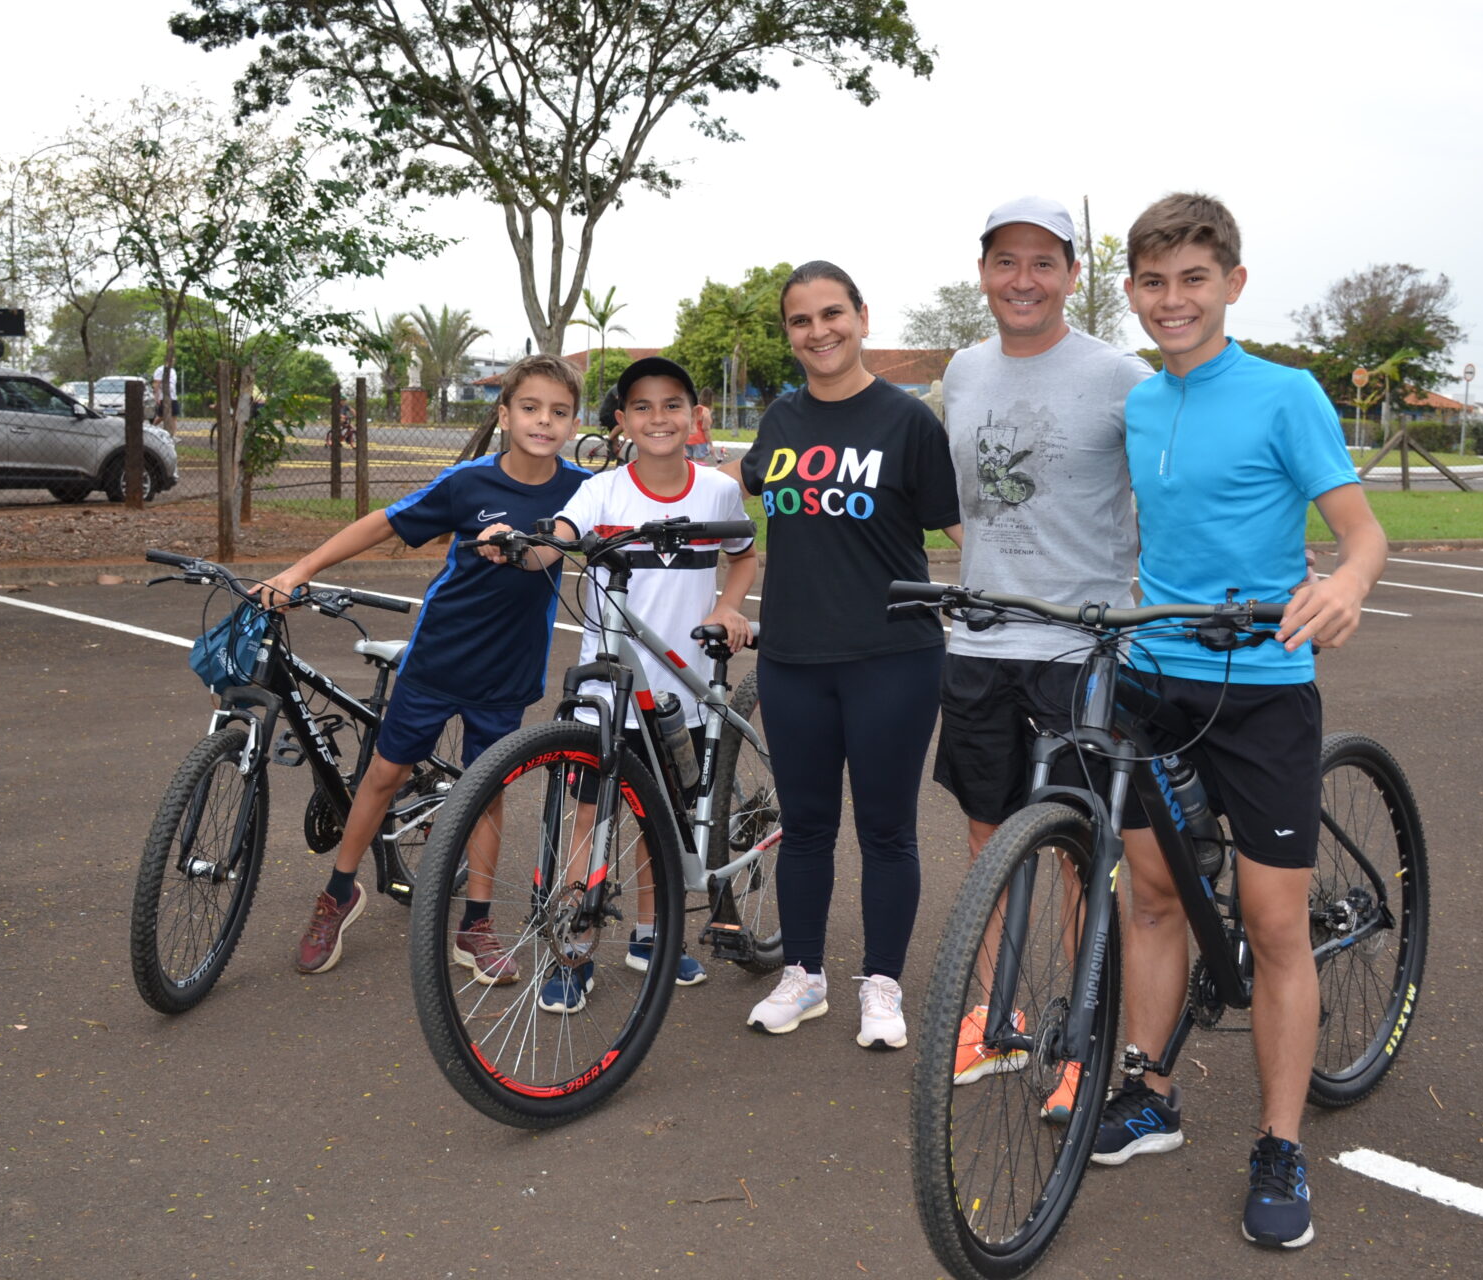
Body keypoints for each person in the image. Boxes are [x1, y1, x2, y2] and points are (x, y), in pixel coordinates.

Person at [1107, 192, 1387, 1251]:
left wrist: (1345, 584)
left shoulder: (1285, 392)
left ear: (1233, 282)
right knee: (1153, 899)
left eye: (1193, 278)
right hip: (1153, 678)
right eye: (1153, 281)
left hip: (1262, 685)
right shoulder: (1140, 404)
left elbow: (1362, 533)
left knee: (1273, 926)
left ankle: (1279, 1142)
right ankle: (1152, 1095)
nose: (1172, 299)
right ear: (1132, 291)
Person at [252, 353, 590, 977]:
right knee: (385, 773)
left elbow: (645, 507)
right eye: (530, 407)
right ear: (504, 414)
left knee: (486, 792)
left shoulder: (584, 489)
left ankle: (475, 926)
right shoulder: (467, 483)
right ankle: (339, 893)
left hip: (509, 671)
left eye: (559, 411)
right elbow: (382, 524)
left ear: (573, 423)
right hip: (440, 656)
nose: (544, 420)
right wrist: (299, 570)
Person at [932, 197, 1153, 1101]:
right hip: (981, 641)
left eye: (1043, 263)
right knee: (989, 837)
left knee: (1079, 850)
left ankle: (1084, 1040)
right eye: (1006, 262)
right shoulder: (963, 369)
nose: (1023, 280)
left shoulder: (1121, 376)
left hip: (1083, 650)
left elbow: (1173, 489)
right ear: (983, 272)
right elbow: (965, 500)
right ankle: (999, 1020)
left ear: (1071, 275)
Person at [717, 261, 963, 1050]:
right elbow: (727, 484)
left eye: (832, 314)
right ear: (789, 334)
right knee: (806, 827)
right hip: (793, 660)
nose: (818, 331)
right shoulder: (781, 420)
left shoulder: (908, 421)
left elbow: (963, 527)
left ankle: (882, 985)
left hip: (893, 656)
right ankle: (804, 975)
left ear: (861, 316)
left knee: (887, 830)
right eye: (801, 320)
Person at [478, 355, 757, 1012]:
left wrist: (728, 606)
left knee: (664, 821)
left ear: (695, 417)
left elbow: (745, 555)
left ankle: (650, 934)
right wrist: (517, 542)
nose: (658, 418)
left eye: (672, 405)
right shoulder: (602, 492)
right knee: (588, 817)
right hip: (607, 695)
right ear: (622, 422)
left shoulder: (716, 492)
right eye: (642, 407)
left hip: (682, 691)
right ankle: (574, 949)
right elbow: (555, 541)